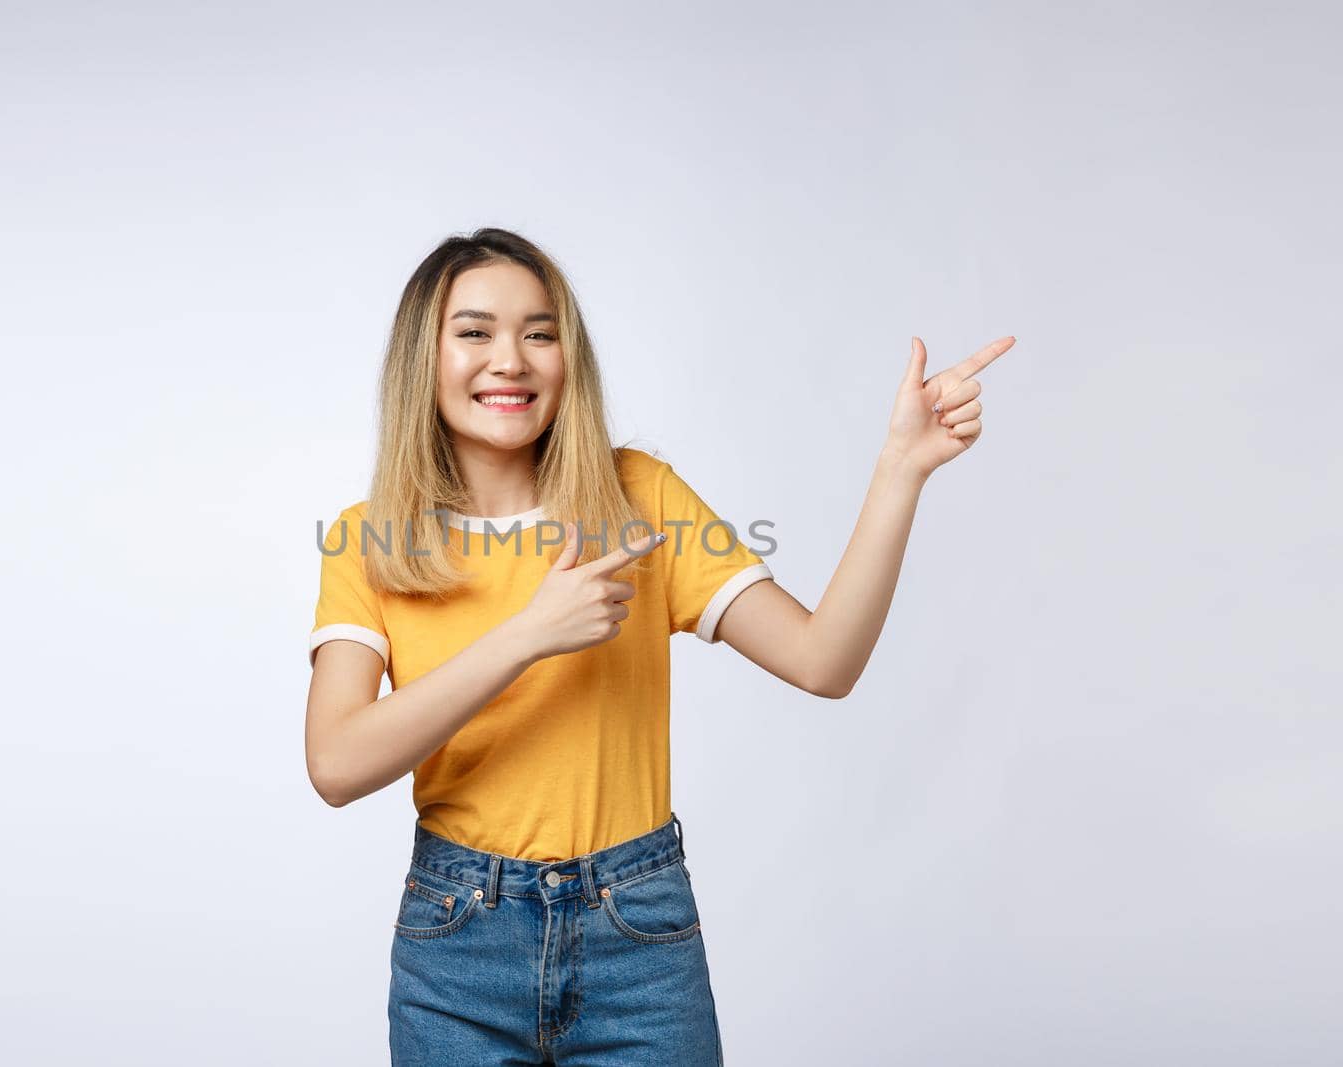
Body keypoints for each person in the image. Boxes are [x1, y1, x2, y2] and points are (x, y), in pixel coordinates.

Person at [304, 227, 1015, 1065]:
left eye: (540, 331)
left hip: (635, 933)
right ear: (421, 358)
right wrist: (529, 634)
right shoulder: (370, 539)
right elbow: (336, 764)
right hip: (457, 943)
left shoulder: (638, 496)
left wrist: (902, 469)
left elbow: (825, 662)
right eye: (474, 332)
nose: (512, 359)